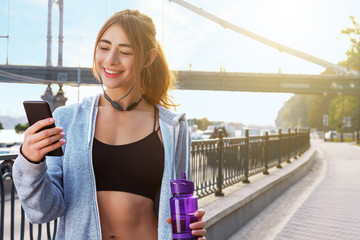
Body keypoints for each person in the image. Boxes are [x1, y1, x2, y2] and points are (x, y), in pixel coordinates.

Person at [13, 9, 206, 240]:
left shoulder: (173, 128)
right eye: (104, 48)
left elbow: (181, 204)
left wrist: (191, 229)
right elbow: (43, 211)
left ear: (148, 58)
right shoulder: (68, 120)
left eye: (125, 51)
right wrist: (31, 161)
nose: (110, 59)